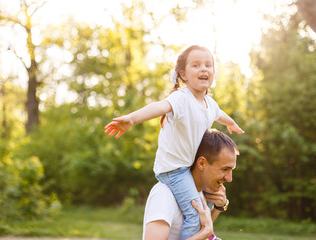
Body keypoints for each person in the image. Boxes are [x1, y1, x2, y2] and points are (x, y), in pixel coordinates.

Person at [105, 45, 244, 240]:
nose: (204, 69)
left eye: (208, 65)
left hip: (185, 169)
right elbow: (159, 106)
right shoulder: (181, 99)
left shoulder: (210, 105)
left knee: (206, 204)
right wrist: (132, 119)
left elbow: (221, 115)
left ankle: (206, 232)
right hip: (173, 169)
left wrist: (232, 124)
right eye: (196, 65)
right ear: (183, 74)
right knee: (194, 213)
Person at [143, 129, 240, 240]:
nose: (229, 178)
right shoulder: (164, 194)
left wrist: (218, 208)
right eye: (225, 169)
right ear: (202, 163)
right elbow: (202, 234)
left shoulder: (199, 192)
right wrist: (204, 234)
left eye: (231, 170)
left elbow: (199, 230)